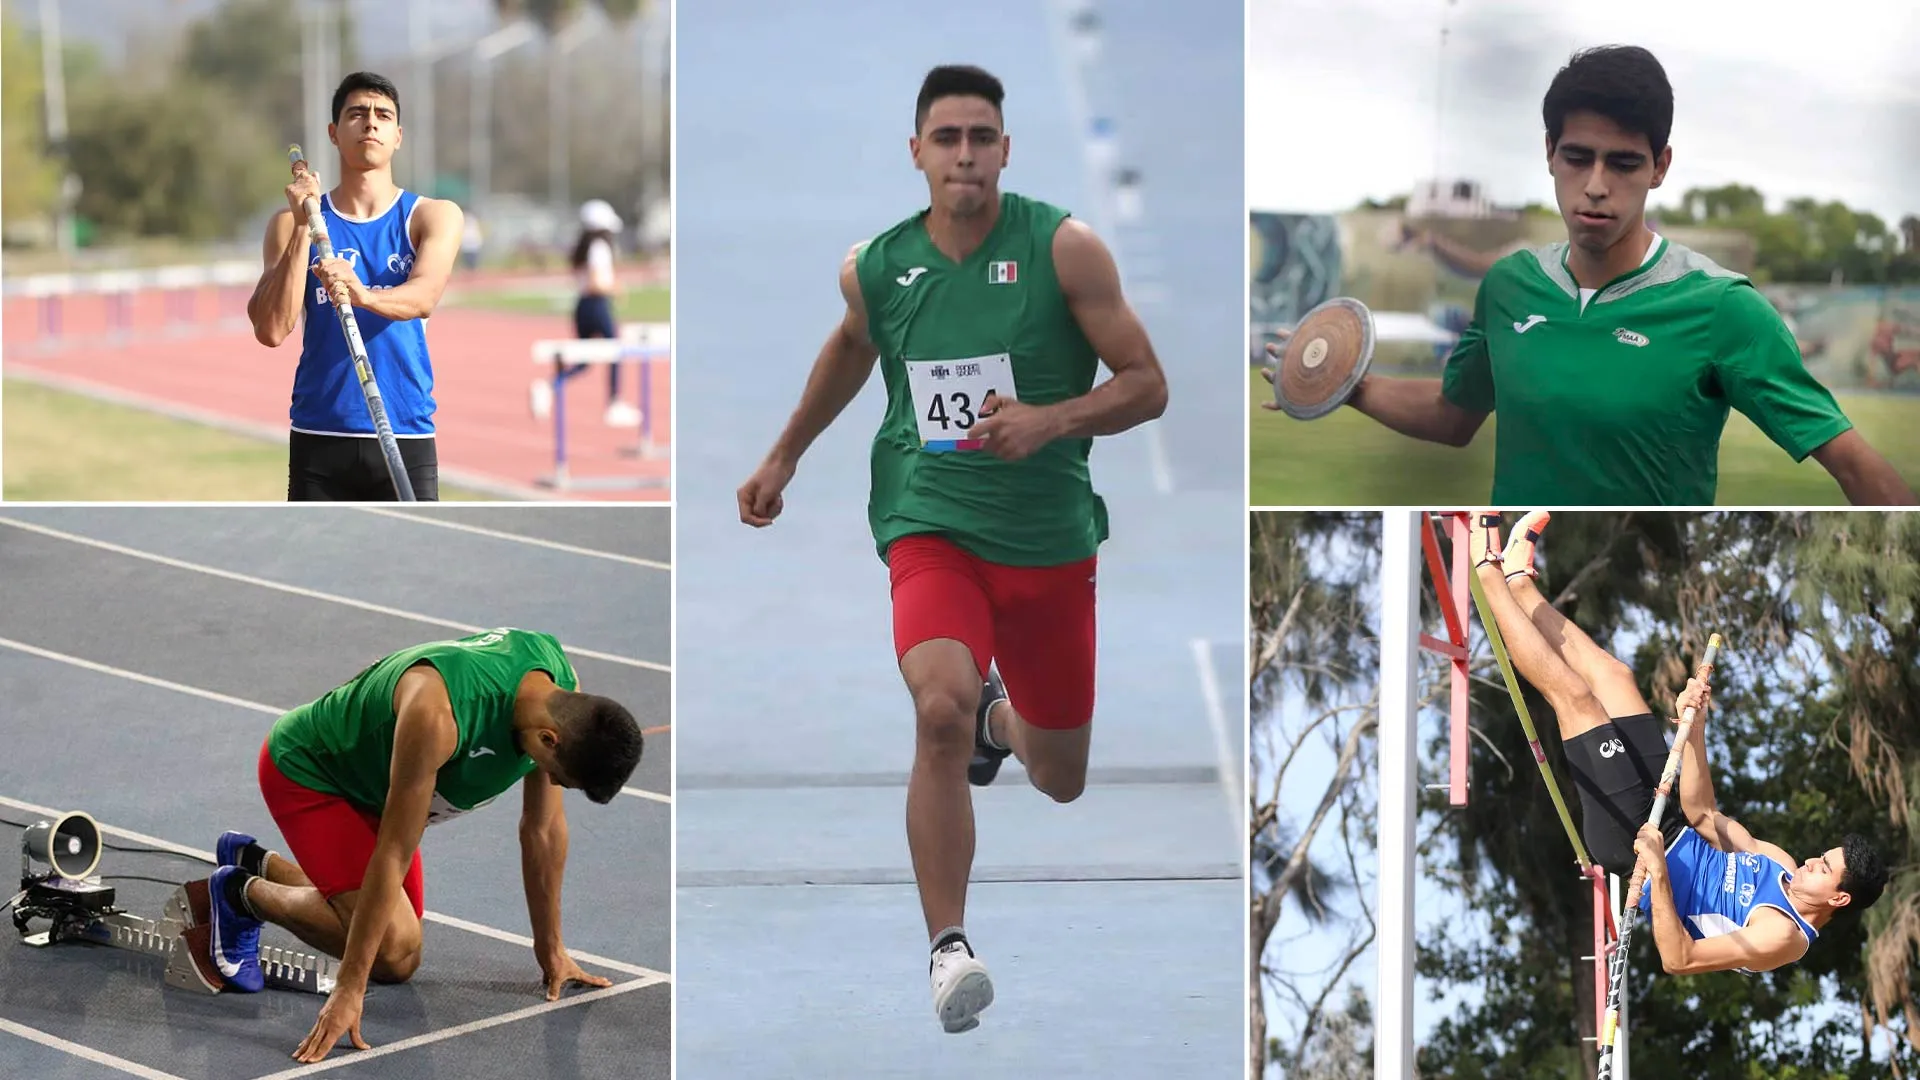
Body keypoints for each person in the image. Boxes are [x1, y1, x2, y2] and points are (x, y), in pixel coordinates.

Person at [734, 63, 1169, 1034]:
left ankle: (999, 729)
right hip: (930, 524)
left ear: (1006, 150)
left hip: (1049, 544)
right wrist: (784, 454)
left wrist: (1051, 421)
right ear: (917, 152)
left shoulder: (1066, 251)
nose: (964, 154)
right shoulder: (879, 266)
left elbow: (1147, 383)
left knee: (1059, 776)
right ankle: (949, 948)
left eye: (982, 137)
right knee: (937, 704)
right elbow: (854, 344)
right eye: (947, 138)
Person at [1259, 45, 1914, 506]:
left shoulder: (1723, 309)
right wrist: (1349, 384)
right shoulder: (1510, 285)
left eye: (1624, 164)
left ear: (1660, 166)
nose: (1596, 186)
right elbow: (1451, 414)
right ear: (1549, 153)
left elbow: (1854, 464)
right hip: (1521, 576)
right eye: (1578, 157)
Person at [177, 627, 644, 1063]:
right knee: (393, 952)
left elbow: (542, 831)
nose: (551, 782)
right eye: (556, 775)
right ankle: (239, 894)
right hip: (313, 776)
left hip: (377, 794)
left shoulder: (562, 690)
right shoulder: (438, 714)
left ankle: (262, 863)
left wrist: (551, 948)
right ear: (548, 738)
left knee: (396, 944)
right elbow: (394, 850)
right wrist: (348, 987)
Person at [1471, 511, 1889, 976]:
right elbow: (1704, 815)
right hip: (1670, 819)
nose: (1811, 861)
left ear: (1838, 897)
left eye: (1822, 867)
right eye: (1821, 857)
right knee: (1615, 677)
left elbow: (1679, 959)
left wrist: (1657, 869)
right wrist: (1697, 727)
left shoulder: (1782, 935)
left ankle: (1484, 571)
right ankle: (1519, 581)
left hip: (1634, 842)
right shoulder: (1780, 864)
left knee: (1577, 701)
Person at [246, 71, 464, 502]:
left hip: (404, 430)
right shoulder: (291, 222)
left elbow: (423, 298)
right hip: (320, 434)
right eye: (357, 113)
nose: (370, 122)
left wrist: (362, 293)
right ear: (333, 132)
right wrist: (305, 229)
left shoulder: (432, 216)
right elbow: (271, 329)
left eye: (383, 115)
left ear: (397, 136)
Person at [531, 200, 640, 428]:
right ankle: (614, 403)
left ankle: (550, 386)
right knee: (615, 351)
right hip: (597, 304)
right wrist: (615, 287)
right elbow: (595, 281)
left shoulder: (581, 247)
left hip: (582, 305)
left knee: (585, 359)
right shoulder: (599, 247)